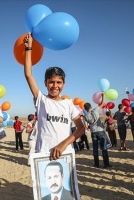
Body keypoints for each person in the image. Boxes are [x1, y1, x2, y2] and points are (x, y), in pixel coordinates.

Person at [23, 33, 85, 161]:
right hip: (44, 155)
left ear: (63, 84)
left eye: (58, 82)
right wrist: (29, 48)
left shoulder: (68, 104)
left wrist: (63, 145)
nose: (55, 86)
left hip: (65, 154)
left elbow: (81, 128)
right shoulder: (41, 100)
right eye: (51, 82)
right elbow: (28, 75)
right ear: (45, 83)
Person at [84, 94, 112, 168]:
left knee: (95, 149)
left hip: (93, 132)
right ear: (90, 106)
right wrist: (103, 95)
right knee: (104, 148)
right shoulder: (95, 110)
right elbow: (102, 103)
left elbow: (89, 124)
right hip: (100, 131)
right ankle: (106, 164)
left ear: (85, 109)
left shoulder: (86, 116)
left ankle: (96, 164)